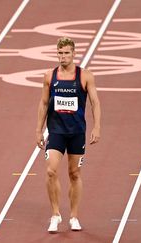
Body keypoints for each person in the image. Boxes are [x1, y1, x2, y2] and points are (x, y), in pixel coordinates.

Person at [35, 36, 101, 233]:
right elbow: (44, 103)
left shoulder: (85, 76)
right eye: (60, 53)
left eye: (66, 53)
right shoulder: (49, 76)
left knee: (74, 173)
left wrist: (97, 127)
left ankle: (74, 216)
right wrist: (38, 129)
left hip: (77, 132)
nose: (62, 57)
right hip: (56, 131)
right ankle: (55, 214)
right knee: (50, 171)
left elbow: (95, 103)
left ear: (73, 54)